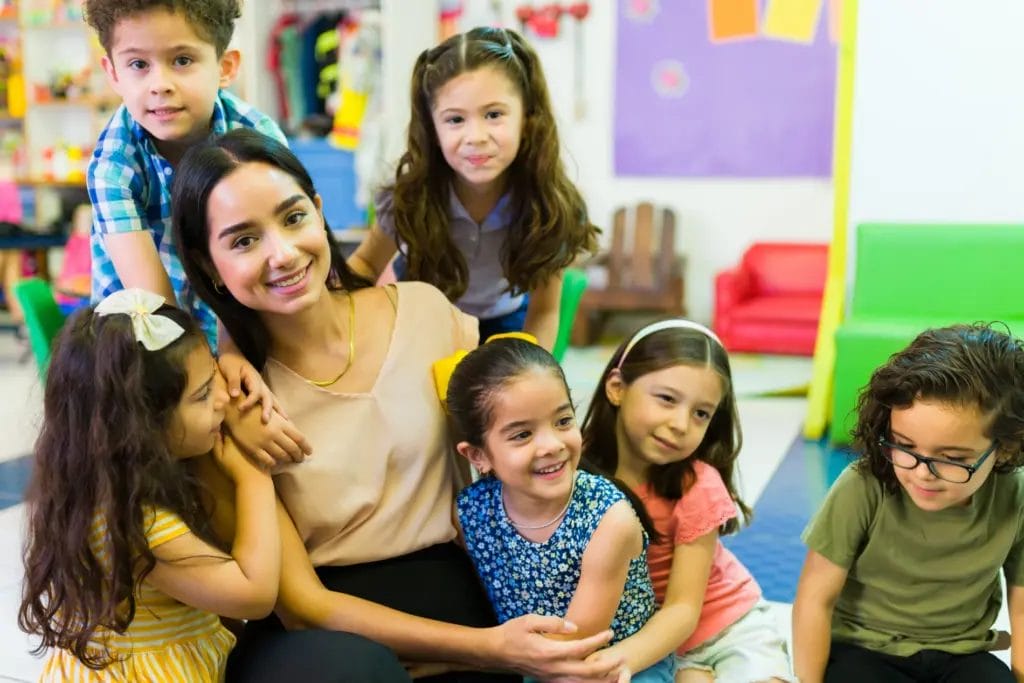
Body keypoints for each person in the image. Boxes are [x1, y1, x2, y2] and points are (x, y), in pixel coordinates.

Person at [171, 128, 623, 681]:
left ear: (318, 211)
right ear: (208, 264)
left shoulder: (427, 314)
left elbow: (512, 462)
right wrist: (491, 648)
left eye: (293, 218)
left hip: (469, 602)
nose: (282, 254)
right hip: (329, 639)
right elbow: (304, 607)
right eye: (243, 241)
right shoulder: (233, 401)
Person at [18, 288, 280, 681]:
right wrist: (254, 476)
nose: (224, 399)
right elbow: (255, 594)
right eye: (204, 394)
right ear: (143, 427)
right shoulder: (136, 523)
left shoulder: (99, 479)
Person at [84, 0, 294, 428]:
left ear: (225, 66)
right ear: (112, 73)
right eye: (138, 65)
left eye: (182, 60)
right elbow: (157, 309)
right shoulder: (113, 167)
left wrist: (233, 354)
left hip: (242, 314)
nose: (160, 84)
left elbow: (267, 252)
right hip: (148, 339)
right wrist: (213, 390)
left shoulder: (256, 139)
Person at [793, 323, 1024, 683]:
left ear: (1006, 447)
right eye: (904, 446)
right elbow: (814, 599)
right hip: (865, 651)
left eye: (951, 457)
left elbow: (1022, 604)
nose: (921, 472)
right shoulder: (863, 484)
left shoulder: (1015, 495)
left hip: (963, 652)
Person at [347, 26, 599, 350]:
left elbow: (545, 311)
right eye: (455, 120)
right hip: (424, 322)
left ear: (527, 117)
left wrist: (534, 377)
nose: (476, 136)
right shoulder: (408, 198)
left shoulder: (551, 205)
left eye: (493, 114)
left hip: (507, 323)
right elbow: (365, 266)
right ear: (432, 127)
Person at [442, 334, 675, 682]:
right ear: (478, 455)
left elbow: (572, 644)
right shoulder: (471, 512)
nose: (551, 445)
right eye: (522, 435)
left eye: (563, 421)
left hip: (609, 666)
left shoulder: (609, 520)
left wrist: (455, 660)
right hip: (526, 662)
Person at [581, 320, 794, 682]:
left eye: (701, 413)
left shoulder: (696, 485)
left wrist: (616, 661)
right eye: (666, 399)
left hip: (726, 628)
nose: (681, 424)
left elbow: (683, 607)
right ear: (617, 388)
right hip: (651, 641)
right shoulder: (574, 469)